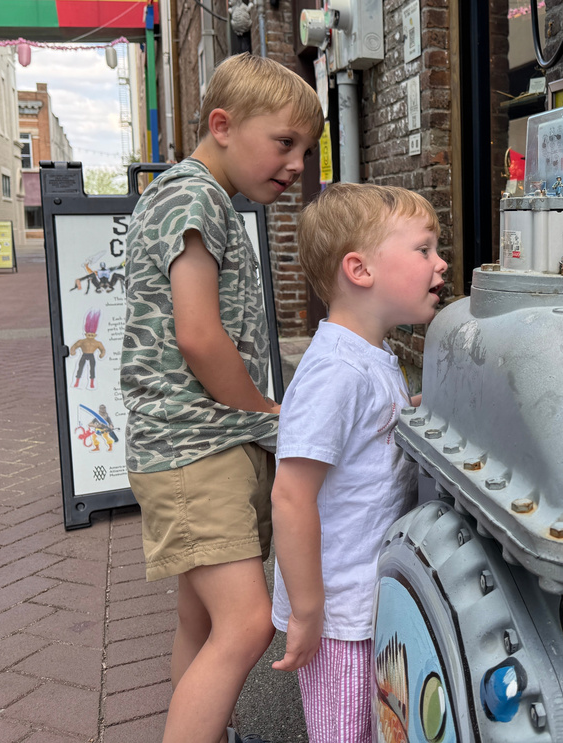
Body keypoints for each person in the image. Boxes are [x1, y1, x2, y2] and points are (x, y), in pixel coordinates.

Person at [119, 53, 323, 743]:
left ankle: (210, 726)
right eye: (285, 142)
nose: (296, 164)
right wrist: (266, 411)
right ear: (223, 125)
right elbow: (200, 336)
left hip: (192, 445)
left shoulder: (195, 196)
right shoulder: (195, 197)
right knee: (244, 623)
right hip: (194, 447)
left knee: (200, 621)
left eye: (307, 149)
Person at [270, 183, 448, 741]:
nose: (441, 263)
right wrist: (306, 610)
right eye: (424, 249)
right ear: (360, 270)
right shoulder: (336, 371)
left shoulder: (372, 356)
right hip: (339, 615)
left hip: (367, 600)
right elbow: (291, 494)